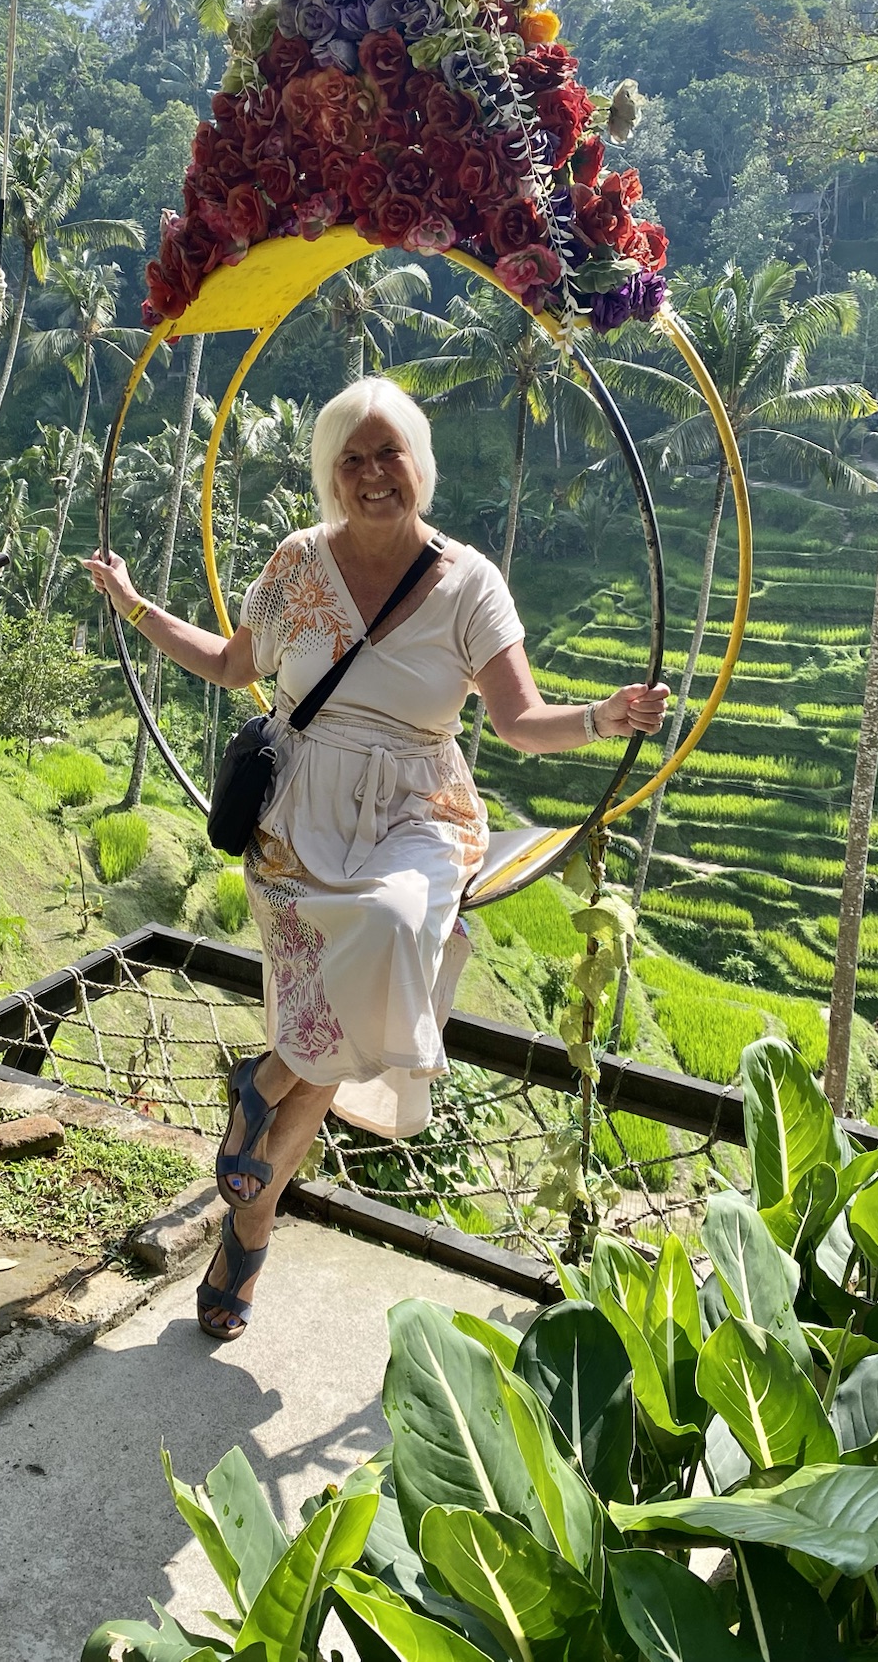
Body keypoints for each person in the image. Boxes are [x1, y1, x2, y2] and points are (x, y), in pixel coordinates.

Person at [86, 376, 669, 1343]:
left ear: (419, 464)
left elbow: (518, 721)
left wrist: (603, 719)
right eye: (351, 459)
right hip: (299, 814)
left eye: (388, 453)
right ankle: (251, 1228)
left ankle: (264, 1083)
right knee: (333, 1028)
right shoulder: (297, 563)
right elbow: (234, 666)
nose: (371, 474)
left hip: (417, 812)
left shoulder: (470, 583)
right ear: (330, 474)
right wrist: (138, 606)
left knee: (388, 930)